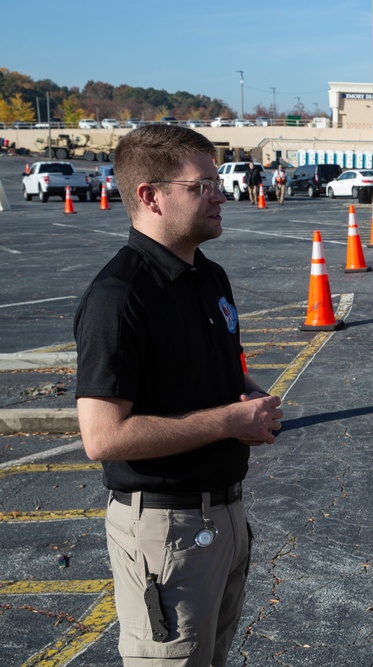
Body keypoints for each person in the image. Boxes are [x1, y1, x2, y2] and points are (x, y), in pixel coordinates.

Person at [74, 123, 283, 666]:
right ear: (151, 196)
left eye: (218, 181)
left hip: (225, 519)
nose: (221, 194)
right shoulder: (118, 298)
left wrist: (249, 395)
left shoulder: (207, 276)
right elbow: (103, 437)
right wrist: (230, 422)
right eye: (202, 186)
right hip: (165, 532)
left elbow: (217, 367)